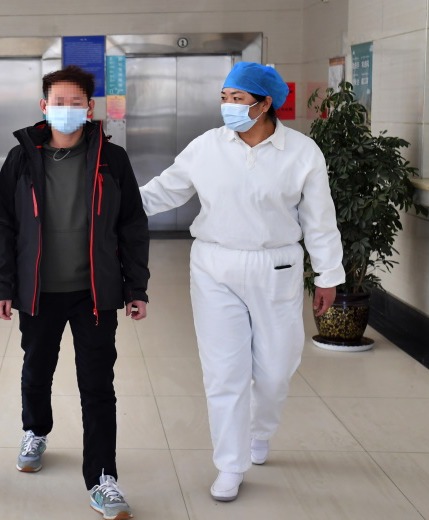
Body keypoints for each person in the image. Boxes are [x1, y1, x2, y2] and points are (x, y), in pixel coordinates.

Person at [140, 62, 344, 502]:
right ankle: (229, 465)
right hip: (214, 265)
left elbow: (320, 220)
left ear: (265, 103)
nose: (228, 106)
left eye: (238, 98)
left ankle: (260, 430)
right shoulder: (206, 146)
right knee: (224, 371)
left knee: (276, 368)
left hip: (277, 266)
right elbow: (165, 190)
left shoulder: (302, 152)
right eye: (225, 97)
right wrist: (110, 207)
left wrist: (329, 275)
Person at [0, 65, 150, 520]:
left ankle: (103, 478)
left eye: (76, 102)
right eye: (58, 102)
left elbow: (133, 225)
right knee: (36, 369)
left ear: (90, 108)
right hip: (38, 290)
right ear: (44, 107)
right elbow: (1, 224)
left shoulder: (111, 160)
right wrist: (2, 284)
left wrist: (136, 286)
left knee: (97, 384)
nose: (67, 109)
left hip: (94, 292)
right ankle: (35, 430)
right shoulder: (21, 159)